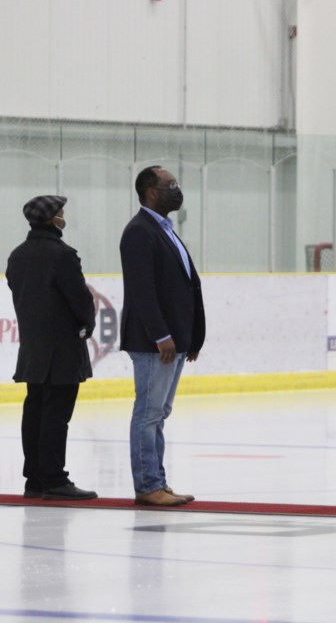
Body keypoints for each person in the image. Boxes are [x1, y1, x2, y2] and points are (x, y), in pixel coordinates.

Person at [120, 166, 205, 506]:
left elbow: (184, 285)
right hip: (154, 342)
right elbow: (143, 290)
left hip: (173, 341)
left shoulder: (164, 229)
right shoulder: (139, 231)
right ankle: (148, 486)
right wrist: (161, 335)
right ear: (150, 190)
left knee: (159, 412)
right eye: (171, 184)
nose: (177, 189)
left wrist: (192, 337)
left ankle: (157, 481)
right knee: (149, 412)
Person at [6, 195, 97, 500]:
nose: (64, 216)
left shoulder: (17, 256)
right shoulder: (62, 255)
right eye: (61, 212)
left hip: (32, 347)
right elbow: (81, 300)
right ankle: (55, 480)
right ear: (51, 219)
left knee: (34, 411)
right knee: (57, 415)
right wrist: (87, 323)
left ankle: (34, 479)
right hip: (62, 348)